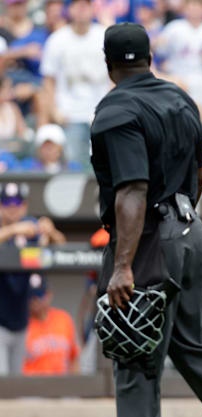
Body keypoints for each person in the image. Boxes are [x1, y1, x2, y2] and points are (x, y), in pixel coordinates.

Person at [89, 23, 202, 417]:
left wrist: (123, 265)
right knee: (198, 346)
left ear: (108, 64)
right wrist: (181, 222)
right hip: (190, 228)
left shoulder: (115, 109)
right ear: (151, 58)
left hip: (148, 239)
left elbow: (133, 190)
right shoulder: (180, 97)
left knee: (135, 353)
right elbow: (201, 175)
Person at [0, 182, 65, 375]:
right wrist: (14, 230)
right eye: (6, 202)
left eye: (17, 202)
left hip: (21, 320)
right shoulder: (13, 229)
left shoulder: (31, 230)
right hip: (0, 322)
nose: (12, 207)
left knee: (16, 381)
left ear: (24, 205)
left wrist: (50, 231)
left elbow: (61, 245)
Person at [40, 0, 110, 170]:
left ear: (92, 9)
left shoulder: (104, 36)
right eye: (77, 5)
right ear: (69, 10)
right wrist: (54, 110)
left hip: (101, 113)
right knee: (74, 167)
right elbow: (48, 80)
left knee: (105, 165)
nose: (81, 10)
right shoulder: (57, 39)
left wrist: (110, 108)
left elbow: (115, 75)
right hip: (70, 114)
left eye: (85, 5)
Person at [23, 275, 80, 375]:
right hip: (33, 386)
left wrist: (74, 385)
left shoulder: (63, 318)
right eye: (31, 296)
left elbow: (74, 358)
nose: (35, 301)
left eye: (39, 295)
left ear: (49, 295)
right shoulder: (22, 326)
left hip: (62, 385)